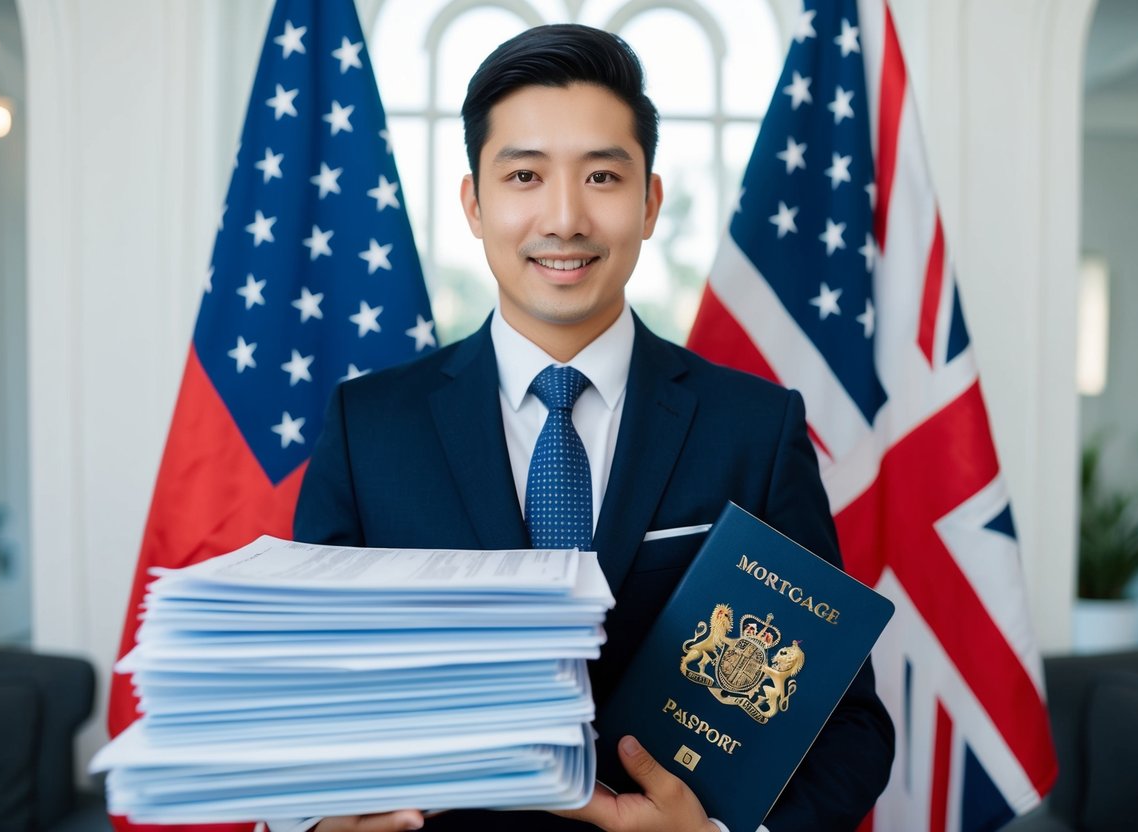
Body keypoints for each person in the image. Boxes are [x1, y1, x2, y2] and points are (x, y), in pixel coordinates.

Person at [284, 23, 894, 832]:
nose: (564, 218)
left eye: (602, 176)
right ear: (474, 202)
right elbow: (297, 692)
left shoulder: (754, 426)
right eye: (525, 175)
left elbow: (848, 726)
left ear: (649, 203)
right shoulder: (369, 427)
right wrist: (306, 819)